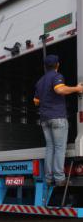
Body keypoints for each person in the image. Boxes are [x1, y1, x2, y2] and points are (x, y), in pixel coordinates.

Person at [34, 54, 83, 186]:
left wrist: (46, 100)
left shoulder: (40, 81)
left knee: (50, 148)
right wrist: (77, 88)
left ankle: (49, 179)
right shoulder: (57, 76)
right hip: (57, 117)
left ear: (45, 66)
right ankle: (59, 178)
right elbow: (60, 89)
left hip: (45, 119)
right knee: (60, 148)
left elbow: (36, 101)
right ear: (57, 65)